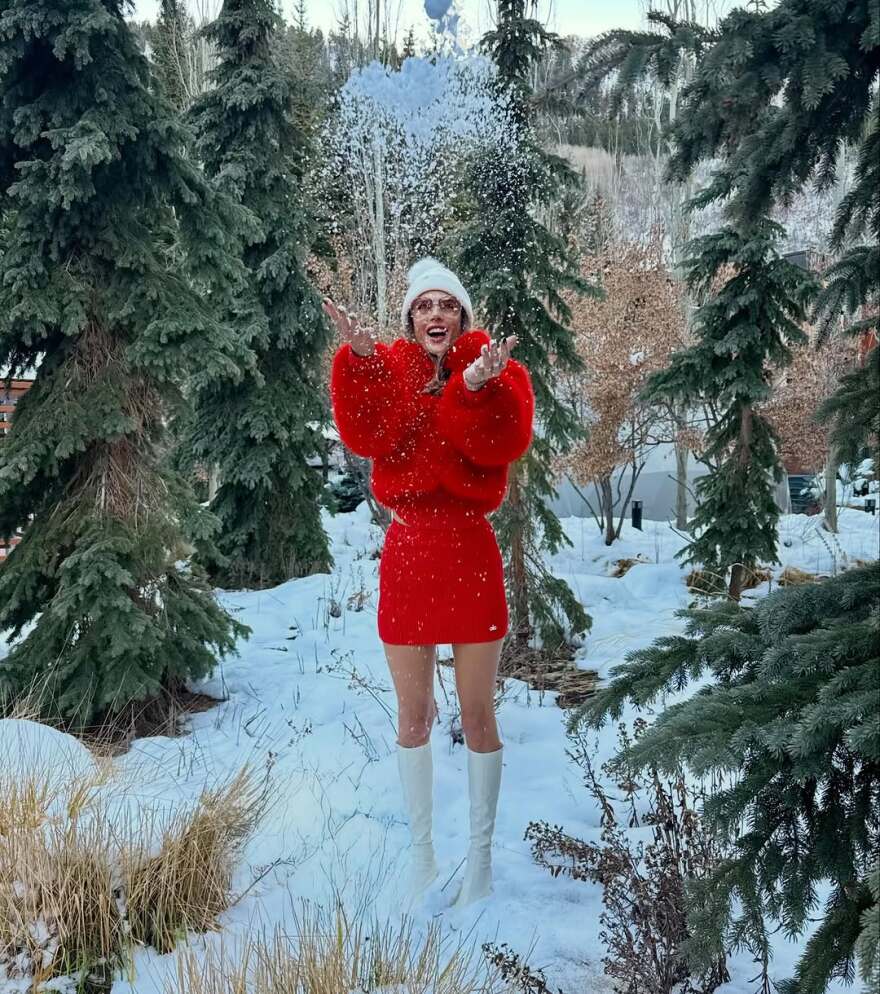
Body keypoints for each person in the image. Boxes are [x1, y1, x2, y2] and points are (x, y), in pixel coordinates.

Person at [324, 257, 535, 908]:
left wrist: (475, 388)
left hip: (470, 549)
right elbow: (367, 434)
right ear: (411, 319)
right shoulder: (390, 371)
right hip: (410, 551)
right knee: (413, 718)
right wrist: (360, 363)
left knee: (477, 716)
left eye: (447, 304)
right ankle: (421, 855)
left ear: (462, 316)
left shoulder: (500, 374)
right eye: (424, 305)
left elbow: (503, 444)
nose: (436, 313)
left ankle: (479, 862)